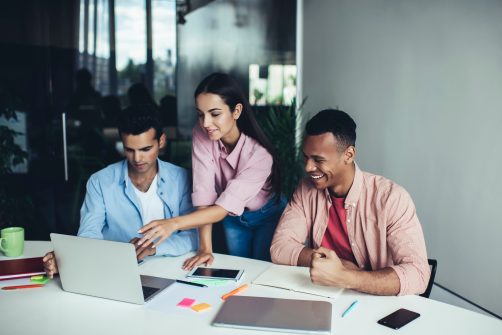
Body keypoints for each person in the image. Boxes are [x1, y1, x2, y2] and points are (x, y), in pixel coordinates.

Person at [270, 109, 430, 296]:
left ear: (348, 155)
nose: (308, 167)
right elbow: (280, 247)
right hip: (324, 297)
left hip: (375, 302)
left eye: (318, 160)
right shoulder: (306, 189)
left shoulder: (391, 198)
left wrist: (345, 276)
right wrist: (328, 263)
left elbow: (418, 275)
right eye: (306, 157)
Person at [136, 72, 287, 268]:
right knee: (239, 268)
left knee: (260, 271)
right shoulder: (201, 133)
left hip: (266, 214)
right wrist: (205, 248)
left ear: (236, 111)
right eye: (201, 114)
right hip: (231, 217)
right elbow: (204, 195)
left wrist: (173, 223)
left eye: (215, 114)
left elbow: (221, 209)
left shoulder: (260, 156)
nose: (206, 123)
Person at [43, 105, 198, 277]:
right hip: (114, 271)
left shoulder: (182, 179)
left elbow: (193, 237)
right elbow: (89, 233)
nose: (137, 158)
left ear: (161, 141)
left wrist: (153, 249)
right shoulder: (100, 181)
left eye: (145, 149)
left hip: (172, 268)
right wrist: (70, 258)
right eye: (129, 150)